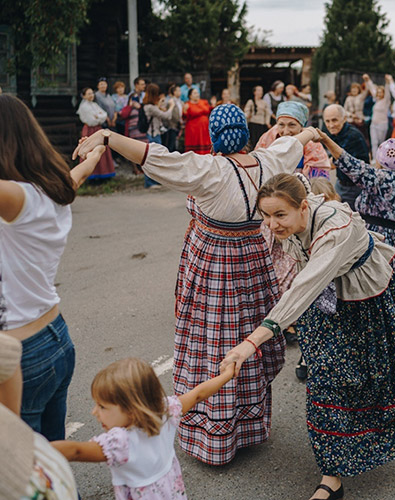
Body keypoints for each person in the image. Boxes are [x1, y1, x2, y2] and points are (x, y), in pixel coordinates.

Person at [72, 104, 321, 466]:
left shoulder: (209, 170)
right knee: (245, 337)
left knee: (210, 342)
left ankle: (214, 437)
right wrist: (312, 133)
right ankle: (247, 427)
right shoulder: (269, 160)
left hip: (215, 266)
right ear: (245, 134)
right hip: (253, 261)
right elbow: (296, 142)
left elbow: (150, 154)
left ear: (215, 138)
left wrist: (108, 136)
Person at [220, 173, 395, 500]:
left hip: (369, 304)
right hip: (326, 305)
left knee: (377, 377)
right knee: (325, 383)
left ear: (303, 207)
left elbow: (306, 284)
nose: (272, 223)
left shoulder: (337, 228)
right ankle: (331, 477)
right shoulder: (294, 222)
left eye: (279, 214)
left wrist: (252, 341)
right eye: (266, 215)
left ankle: (383, 434)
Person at [0, 94, 106, 440]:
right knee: (50, 462)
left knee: (25, 473)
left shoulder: (16, 198)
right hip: (55, 337)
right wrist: (94, 153)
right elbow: (82, 171)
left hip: (22, 354)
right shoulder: (54, 189)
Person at [52, 358, 235, 500]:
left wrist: (31, 449)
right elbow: (197, 395)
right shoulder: (166, 411)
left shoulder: (119, 442)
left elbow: (75, 451)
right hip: (171, 492)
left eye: (102, 406)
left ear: (132, 410)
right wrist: (227, 375)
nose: (94, 412)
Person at [319, 131, 395, 329]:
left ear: (381, 160)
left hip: (382, 241)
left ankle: (386, 336)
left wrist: (326, 139)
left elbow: (350, 163)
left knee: (380, 288)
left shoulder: (382, 180)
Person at [0, 333, 78, 500]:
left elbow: (7, 354)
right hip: (51, 335)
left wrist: (14, 430)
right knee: (51, 447)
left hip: (16, 484)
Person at [257, 101, 330, 179]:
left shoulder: (313, 147)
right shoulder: (266, 141)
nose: (286, 131)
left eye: (292, 125)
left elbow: (318, 183)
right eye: (281, 125)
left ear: (302, 126)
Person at [322, 104, 370, 209]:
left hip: (355, 187)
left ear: (344, 119)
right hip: (341, 183)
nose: (331, 125)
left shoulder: (353, 136)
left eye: (334, 120)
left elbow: (333, 163)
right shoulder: (336, 133)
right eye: (327, 121)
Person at [76, 87, 116, 180]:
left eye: (92, 93)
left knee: (101, 149)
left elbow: (104, 114)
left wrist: (99, 116)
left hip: (98, 129)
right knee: (90, 150)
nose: (91, 95)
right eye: (89, 94)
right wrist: (98, 117)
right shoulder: (84, 107)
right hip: (90, 130)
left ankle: (104, 174)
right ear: (84, 96)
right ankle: (90, 175)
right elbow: (91, 120)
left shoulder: (94, 104)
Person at [366, 74, 393, 159]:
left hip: (382, 124)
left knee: (381, 143)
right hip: (373, 124)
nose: (379, 93)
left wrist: (387, 83)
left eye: (381, 92)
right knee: (374, 142)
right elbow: (372, 89)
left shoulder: (386, 101)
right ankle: (374, 159)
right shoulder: (376, 100)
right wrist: (368, 80)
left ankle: (381, 158)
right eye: (378, 92)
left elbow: (388, 92)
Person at [182, 87, 212, 154]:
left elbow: (209, 110)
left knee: (206, 144)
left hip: (204, 128)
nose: (197, 94)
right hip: (193, 129)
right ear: (190, 96)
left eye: (197, 93)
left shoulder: (204, 102)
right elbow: (184, 117)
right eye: (195, 93)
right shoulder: (187, 104)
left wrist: (213, 105)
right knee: (195, 147)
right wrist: (184, 111)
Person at [164, 84, 183, 152]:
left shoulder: (181, 102)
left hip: (180, 125)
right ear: (174, 92)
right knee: (172, 144)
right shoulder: (171, 101)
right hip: (172, 125)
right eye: (178, 91)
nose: (180, 92)